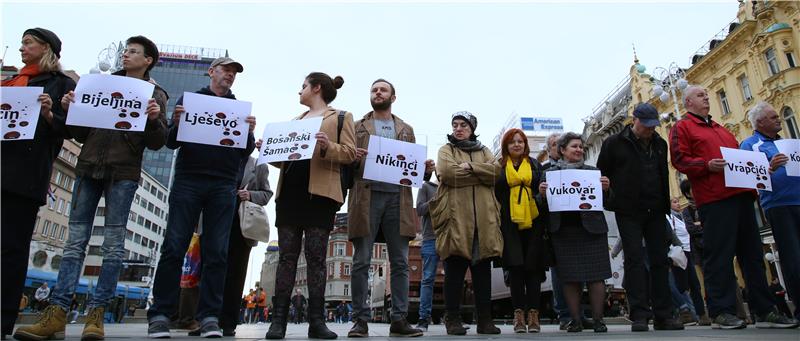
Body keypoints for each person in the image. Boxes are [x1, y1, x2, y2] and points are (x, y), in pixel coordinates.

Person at [16, 35, 168, 341]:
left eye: (134, 52)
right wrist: (70, 108)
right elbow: (79, 133)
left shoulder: (154, 94)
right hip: (88, 167)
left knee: (112, 246)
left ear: (148, 60)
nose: (126, 55)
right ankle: (57, 312)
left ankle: (96, 314)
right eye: (125, 51)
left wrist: (153, 119)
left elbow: (158, 141)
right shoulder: (99, 84)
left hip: (123, 172)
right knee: (74, 243)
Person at [669, 85, 797, 329]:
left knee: (753, 256)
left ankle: (765, 310)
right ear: (687, 103)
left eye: (708, 95)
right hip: (715, 199)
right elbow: (679, 160)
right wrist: (706, 165)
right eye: (700, 96)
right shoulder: (682, 126)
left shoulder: (722, 129)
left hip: (743, 196)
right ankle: (721, 311)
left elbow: (744, 162)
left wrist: (764, 170)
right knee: (720, 256)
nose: (707, 98)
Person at [148, 56, 256, 339]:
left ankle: (209, 316)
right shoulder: (191, 100)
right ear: (212, 72)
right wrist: (176, 121)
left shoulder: (237, 109)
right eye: (226, 70)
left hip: (223, 183)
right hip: (189, 179)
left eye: (234, 72)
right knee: (174, 245)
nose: (230, 75)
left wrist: (249, 132)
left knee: (217, 252)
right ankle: (161, 313)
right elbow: (172, 142)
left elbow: (243, 151)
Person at [264, 72, 356, 340]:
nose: (299, 91)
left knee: (317, 258)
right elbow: (284, 160)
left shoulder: (340, 117)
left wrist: (328, 146)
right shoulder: (295, 121)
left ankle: (316, 321)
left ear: (316, 88)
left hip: (321, 194)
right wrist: (269, 151)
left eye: (303, 86)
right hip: (290, 193)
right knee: (287, 257)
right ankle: (278, 320)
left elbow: (350, 153)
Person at [1, 27, 75, 339]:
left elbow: (68, 129)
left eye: (28, 43)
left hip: (24, 175)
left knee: (11, 248)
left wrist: (47, 113)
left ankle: (3, 318)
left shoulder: (61, 84)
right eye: (21, 43)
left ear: (45, 48)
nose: (21, 49)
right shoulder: (10, 82)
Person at [347, 79, 432, 338]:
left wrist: (424, 169)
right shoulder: (357, 126)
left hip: (399, 198)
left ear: (393, 97)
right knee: (361, 260)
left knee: (400, 262)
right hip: (366, 197)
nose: (378, 93)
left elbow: (414, 169)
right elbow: (345, 159)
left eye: (383, 90)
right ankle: (360, 321)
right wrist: (354, 157)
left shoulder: (406, 128)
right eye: (374, 89)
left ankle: (399, 319)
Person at [596, 102, 684, 332]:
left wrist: (665, 204)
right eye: (646, 125)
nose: (650, 130)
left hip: (656, 209)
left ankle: (664, 314)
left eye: (653, 126)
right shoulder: (614, 143)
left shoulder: (660, 144)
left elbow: (662, 174)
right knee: (634, 261)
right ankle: (639, 315)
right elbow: (601, 173)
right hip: (628, 211)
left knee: (659, 261)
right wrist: (610, 193)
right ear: (634, 120)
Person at [433, 111, 502, 336]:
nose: (458, 128)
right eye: (455, 125)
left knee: (482, 274)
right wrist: (482, 173)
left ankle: (485, 321)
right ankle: (451, 319)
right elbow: (447, 173)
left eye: (463, 125)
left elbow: (496, 174)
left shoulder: (484, 151)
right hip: (456, 219)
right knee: (454, 272)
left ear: (472, 128)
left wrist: (471, 168)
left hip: (483, 221)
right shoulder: (446, 150)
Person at [537, 132, 611, 333]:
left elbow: (608, 203)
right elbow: (540, 207)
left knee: (596, 277)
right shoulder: (549, 174)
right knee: (569, 278)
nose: (579, 150)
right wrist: (541, 195)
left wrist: (606, 189)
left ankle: (598, 320)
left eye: (581, 147)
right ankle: (575, 320)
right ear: (562, 150)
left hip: (592, 231)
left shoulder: (593, 172)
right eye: (574, 146)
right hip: (564, 232)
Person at [741, 101, 800, 321]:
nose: (778, 119)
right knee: (793, 257)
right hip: (779, 205)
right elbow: (747, 177)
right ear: (760, 122)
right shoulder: (750, 144)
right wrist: (770, 168)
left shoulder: (788, 143)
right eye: (774, 117)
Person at [494, 128, 549, 333]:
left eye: (521, 141)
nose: (517, 145)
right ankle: (518, 314)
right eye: (512, 142)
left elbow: (544, 193)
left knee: (533, 269)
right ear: (506, 146)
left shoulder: (535, 165)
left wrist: (541, 194)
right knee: (515, 269)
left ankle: (533, 315)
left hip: (534, 223)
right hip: (508, 223)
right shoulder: (499, 166)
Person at [219, 156, 273, 335]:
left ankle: (228, 322)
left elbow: (266, 194)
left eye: (252, 126)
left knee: (236, 271)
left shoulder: (259, 165)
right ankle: (207, 316)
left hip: (242, 224)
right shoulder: (220, 156)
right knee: (212, 268)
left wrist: (250, 195)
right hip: (217, 219)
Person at [678, 180, 712, 326]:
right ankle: (697, 313)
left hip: (706, 247)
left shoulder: (705, 205)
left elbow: (712, 224)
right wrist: (702, 226)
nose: (677, 203)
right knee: (695, 283)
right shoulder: (686, 212)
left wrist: (701, 225)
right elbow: (691, 229)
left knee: (700, 283)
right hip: (690, 251)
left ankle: (706, 313)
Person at [415, 177, 439, 332]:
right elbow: (420, 210)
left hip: (450, 237)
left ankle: (453, 317)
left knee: (454, 278)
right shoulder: (425, 187)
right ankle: (423, 319)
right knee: (428, 278)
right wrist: (437, 200)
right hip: (430, 238)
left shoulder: (453, 186)